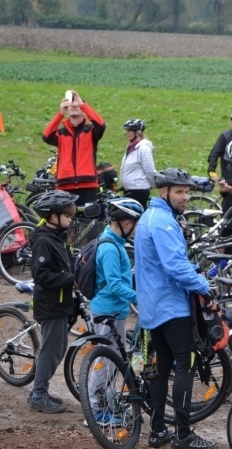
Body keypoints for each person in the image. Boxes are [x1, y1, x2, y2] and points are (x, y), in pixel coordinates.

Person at [134, 167, 216, 449]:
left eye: (187, 191)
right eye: (180, 191)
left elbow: (165, 262)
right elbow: (175, 266)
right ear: (163, 191)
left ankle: (158, 430)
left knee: (160, 367)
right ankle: (183, 435)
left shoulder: (149, 217)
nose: (185, 197)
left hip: (152, 307)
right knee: (186, 364)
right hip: (171, 306)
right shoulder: (164, 223)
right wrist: (204, 288)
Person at [87, 197, 144, 425]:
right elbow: (114, 285)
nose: (136, 230)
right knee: (105, 362)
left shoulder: (115, 241)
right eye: (136, 225)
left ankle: (105, 405)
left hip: (115, 311)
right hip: (107, 312)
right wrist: (140, 298)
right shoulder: (110, 248)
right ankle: (95, 411)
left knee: (114, 360)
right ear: (126, 223)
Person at [27, 190, 79, 414]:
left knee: (57, 348)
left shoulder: (58, 236)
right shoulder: (44, 240)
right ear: (53, 216)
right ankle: (38, 396)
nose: (70, 219)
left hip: (60, 302)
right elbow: (41, 275)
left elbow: (65, 263)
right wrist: (70, 279)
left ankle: (39, 391)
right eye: (67, 215)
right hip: (50, 304)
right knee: (51, 350)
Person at [42, 89, 106, 205]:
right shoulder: (61, 133)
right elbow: (46, 136)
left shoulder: (90, 131)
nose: (74, 106)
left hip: (88, 185)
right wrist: (60, 113)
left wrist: (82, 104)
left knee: (89, 217)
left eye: (77, 105)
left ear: (84, 112)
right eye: (71, 105)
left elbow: (101, 125)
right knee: (67, 217)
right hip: (64, 186)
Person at [119, 119, 155, 209]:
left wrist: (152, 185)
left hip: (139, 190)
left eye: (129, 131)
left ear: (138, 132)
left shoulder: (143, 148)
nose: (127, 133)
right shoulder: (131, 147)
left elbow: (149, 170)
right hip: (129, 190)